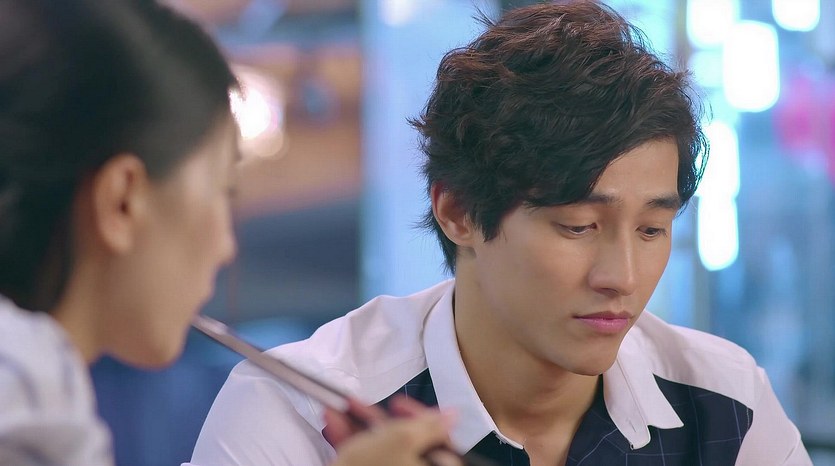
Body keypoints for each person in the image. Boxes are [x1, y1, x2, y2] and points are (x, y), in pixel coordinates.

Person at [189, 1, 813, 465]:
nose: (621, 277)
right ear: (458, 212)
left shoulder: (722, 404)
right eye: (578, 226)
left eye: (652, 229)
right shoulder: (299, 414)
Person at [0, 0, 456, 465]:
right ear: (121, 202)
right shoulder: (23, 395)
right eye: (222, 192)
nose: (225, 248)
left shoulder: (39, 383)